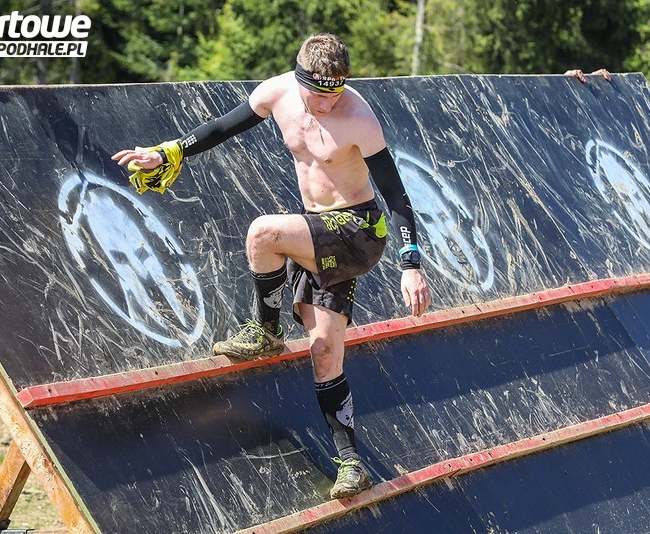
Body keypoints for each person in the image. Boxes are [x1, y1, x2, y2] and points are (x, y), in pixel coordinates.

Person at [112, 33, 431, 500]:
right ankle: (351, 464)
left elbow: (396, 196)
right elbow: (221, 128)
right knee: (324, 351)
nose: (326, 105)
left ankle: (266, 330)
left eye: (335, 94)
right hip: (316, 233)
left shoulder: (359, 118)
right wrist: (168, 152)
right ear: (299, 80)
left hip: (359, 230)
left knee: (263, 232)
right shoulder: (276, 92)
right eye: (317, 95)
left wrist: (411, 265)